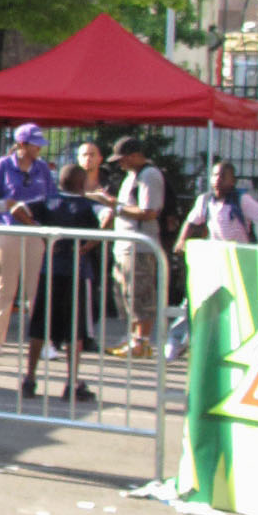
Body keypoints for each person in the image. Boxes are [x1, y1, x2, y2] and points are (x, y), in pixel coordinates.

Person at [22, 162, 103, 404]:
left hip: (50, 270)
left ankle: (29, 378)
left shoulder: (48, 201)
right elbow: (108, 215)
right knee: (75, 331)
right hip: (77, 273)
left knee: (39, 325)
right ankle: (71, 383)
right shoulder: (88, 205)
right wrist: (91, 244)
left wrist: (39, 231)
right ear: (82, 183)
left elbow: (17, 207)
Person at [0, 122, 58, 356]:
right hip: (8, 233)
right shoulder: (2, 166)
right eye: (36, 144)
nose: (39, 149)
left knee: (37, 288)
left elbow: (52, 199)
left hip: (35, 233)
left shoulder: (43, 169)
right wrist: (8, 206)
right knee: (4, 288)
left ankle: (44, 342)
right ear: (22, 144)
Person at [108, 135, 167, 359]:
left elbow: (149, 211)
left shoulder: (149, 175)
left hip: (139, 245)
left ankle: (142, 341)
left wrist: (117, 208)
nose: (120, 164)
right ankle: (132, 339)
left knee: (140, 295)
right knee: (126, 295)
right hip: (125, 244)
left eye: (122, 159)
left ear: (134, 156)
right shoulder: (132, 175)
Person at [175, 158, 258, 251]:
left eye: (222, 176)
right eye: (215, 175)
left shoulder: (242, 200)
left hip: (241, 254)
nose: (218, 179)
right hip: (220, 255)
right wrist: (182, 240)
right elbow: (191, 223)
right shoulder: (205, 201)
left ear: (233, 181)